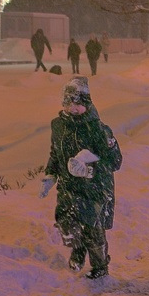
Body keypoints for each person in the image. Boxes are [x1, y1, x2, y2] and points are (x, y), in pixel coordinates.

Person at [43, 77, 122, 279]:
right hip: (69, 187)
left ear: (86, 104)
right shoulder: (58, 126)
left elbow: (115, 162)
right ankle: (78, 250)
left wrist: (90, 170)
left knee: (92, 230)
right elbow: (55, 153)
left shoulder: (98, 129)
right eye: (69, 104)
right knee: (66, 223)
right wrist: (50, 175)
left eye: (78, 104)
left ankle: (100, 266)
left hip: (94, 187)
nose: (73, 109)